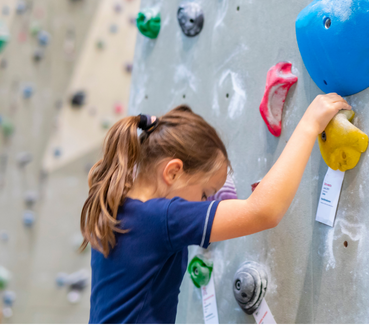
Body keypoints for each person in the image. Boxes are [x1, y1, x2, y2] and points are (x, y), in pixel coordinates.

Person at [80, 94, 351, 323]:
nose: (205, 203)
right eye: (205, 194)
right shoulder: (160, 218)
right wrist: (309, 125)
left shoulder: (119, 209)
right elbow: (264, 211)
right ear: (172, 172)